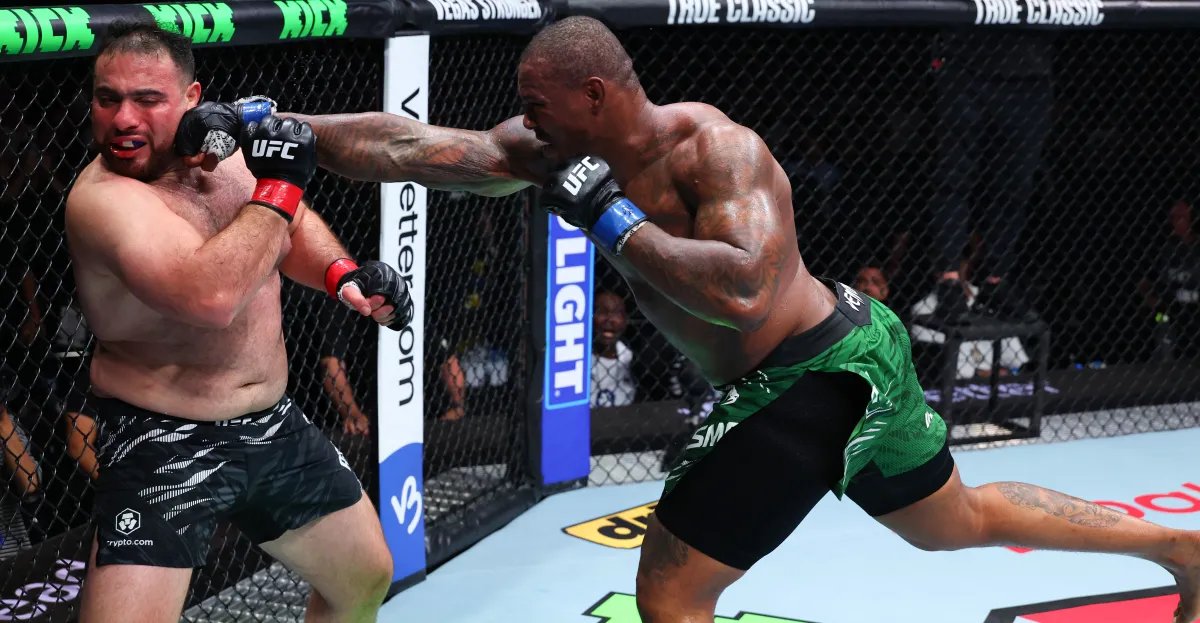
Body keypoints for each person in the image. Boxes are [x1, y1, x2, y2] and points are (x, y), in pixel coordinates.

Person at [177, 17, 1200, 623]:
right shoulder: (554, 147)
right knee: (955, 523)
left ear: (594, 94)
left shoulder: (716, 151)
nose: (525, 120)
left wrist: (611, 217)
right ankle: (1180, 548)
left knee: (669, 598)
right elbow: (413, 147)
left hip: (807, 374)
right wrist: (285, 127)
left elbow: (745, 288)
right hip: (847, 353)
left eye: (539, 103)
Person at [64, 22, 411, 622]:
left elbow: (289, 225)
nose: (123, 119)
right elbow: (212, 296)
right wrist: (280, 184)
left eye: (147, 99)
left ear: (191, 98)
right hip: (163, 437)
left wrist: (342, 275)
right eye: (107, 98)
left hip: (270, 421)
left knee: (365, 578)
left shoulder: (222, 156)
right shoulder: (103, 200)